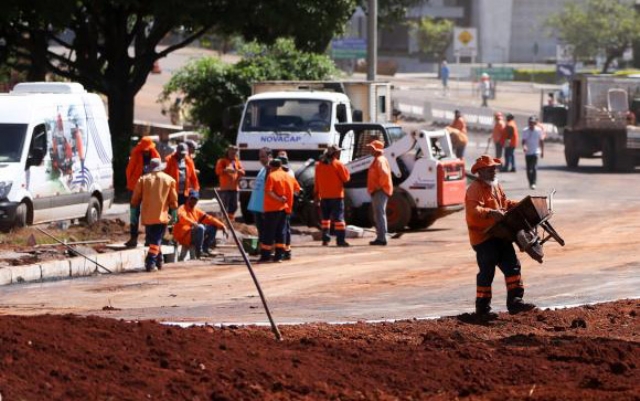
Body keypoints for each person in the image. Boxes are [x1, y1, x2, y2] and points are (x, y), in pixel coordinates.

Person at [465, 155, 536, 317]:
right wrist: (490, 212)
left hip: (500, 234)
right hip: (483, 238)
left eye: (494, 169)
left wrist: (520, 205)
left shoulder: (495, 186)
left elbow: (505, 203)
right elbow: (473, 212)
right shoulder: (474, 189)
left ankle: (515, 302)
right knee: (487, 271)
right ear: (481, 171)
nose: (494, 171)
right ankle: (482, 309)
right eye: (490, 169)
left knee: (513, 266)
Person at [130, 158, 178, 272]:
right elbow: (173, 200)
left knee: (154, 240)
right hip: (161, 216)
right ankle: (150, 262)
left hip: (147, 217)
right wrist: (174, 213)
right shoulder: (169, 180)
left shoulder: (143, 179)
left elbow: (135, 199)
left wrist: (133, 214)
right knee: (156, 240)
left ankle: (159, 261)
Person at [259, 158, 300, 263]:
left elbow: (269, 191)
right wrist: (288, 198)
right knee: (281, 232)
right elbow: (297, 190)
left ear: (271, 167)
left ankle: (265, 256)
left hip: (272, 208)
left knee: (269, 232)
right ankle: (279, 256)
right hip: (285, 209)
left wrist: (279, 199)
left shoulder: (272, 176)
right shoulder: (288, 176)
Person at [124, 136, 161, 248]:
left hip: (149, 188)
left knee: (149, 214)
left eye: (147, 149)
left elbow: (159, 172)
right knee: (134, 213)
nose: (145, 151)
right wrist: (131, 185)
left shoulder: (155, 156)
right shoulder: (135, 154)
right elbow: (129, 170)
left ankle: (149, 239)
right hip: (135, 188)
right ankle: (133, 238)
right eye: (144, 149)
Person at [173, 189, 227, 260]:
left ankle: (205, 249)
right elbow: (182, 218)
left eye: (195, 199)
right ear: (188, 198)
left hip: (194, 233)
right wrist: (193, 223)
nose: (193, 201)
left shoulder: (196, 211)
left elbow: (209, 218)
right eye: (192, 199)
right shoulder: (182, 208)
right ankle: (199, 252)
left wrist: (222, 225)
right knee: (200, 227)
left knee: (213, 227)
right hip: (184, 235)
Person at [314, 145, 351, 247]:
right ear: (335, 154)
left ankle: (325, 239)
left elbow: (316, 181)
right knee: (339, 219)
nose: (339, 153)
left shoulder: (319, 165)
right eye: (338, 152)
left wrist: (316, 195)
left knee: (325, 219)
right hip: (337, 196)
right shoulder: (338, 164)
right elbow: (346, 179)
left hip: (324, 196)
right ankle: (340, 240)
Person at [366, 140, 393, 246]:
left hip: (380, 191)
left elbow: (384, 175)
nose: (370, 150)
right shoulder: (377, 160)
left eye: (371, 148)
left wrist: (378, 187)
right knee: (378, 214)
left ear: (376, 149)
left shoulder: (380, 160)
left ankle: (382, 238)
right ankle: (381, 237)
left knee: (379, 213)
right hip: (378, 190)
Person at [247, 147, 272, 247]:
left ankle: (266, 252)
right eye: (259, 157)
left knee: (266, 231)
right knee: (261, 231)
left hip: (264, 208)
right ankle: (263, 250)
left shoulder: (270, 170)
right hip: (257, 207)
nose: (260, 159)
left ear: (269, 157)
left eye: (263, 156)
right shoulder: (262, 169)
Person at [215, 145, 245, 221]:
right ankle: (223, 220)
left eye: (234, 152)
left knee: (234, 205)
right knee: (224, 205)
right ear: (228, 152)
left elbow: (242, 171)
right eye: (231, 152)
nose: (233, 153)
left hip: (235, 188)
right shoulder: (222, 161)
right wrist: (226, 170)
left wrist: (239, 171)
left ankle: (231, 220)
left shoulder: (237, 161)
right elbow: (218, 171)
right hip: (225, 188)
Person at [521, 115, 545, 190]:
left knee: (534, 167)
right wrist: (524, 146)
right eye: (530, 123)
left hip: (535, 152)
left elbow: (541, 141)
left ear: (535, 123)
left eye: (533, 123)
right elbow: (523, 141)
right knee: (528, 169)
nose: (531, 124)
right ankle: (530, 182)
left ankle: (534, 183)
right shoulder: (525, 130)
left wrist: (542, 151)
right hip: (528, 152)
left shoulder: (538, 130)